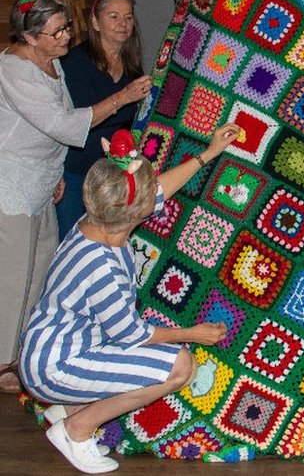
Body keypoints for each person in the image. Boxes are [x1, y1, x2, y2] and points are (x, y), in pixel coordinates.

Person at [19, 122, 241, 474]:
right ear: (136, 212)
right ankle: (77, 429)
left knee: (135, 357)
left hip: (50, 346)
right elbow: (133, 336)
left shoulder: (98, 219)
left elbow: (156, 190)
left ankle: (67, 409)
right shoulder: (102, 267)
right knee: (179, 366)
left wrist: (207, 154)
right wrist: (192, 334)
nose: (155, 195)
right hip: (56, 365)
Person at [0, 0, 150, 396]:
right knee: (12, 275)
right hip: (9, 184)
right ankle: (2, 360)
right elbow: (65, 125)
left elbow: (56, 131)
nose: (67, 36)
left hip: (43, 183)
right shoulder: (15, 69)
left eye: (67, 27)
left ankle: (28, 351)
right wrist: (122, 98)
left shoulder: (55, 63)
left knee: (41, 270)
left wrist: (52, 176)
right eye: (57, 31)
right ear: (29, 36)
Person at [57, 0, 151, 241]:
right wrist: (124, 96)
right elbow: (79, 121)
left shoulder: (132, 66)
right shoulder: (75, 62)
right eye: (114, 16)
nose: (123, 24)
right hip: (77, 173)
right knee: (73, 242)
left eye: (128, 17)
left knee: (109, 242)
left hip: (114, 175)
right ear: (95, 23)